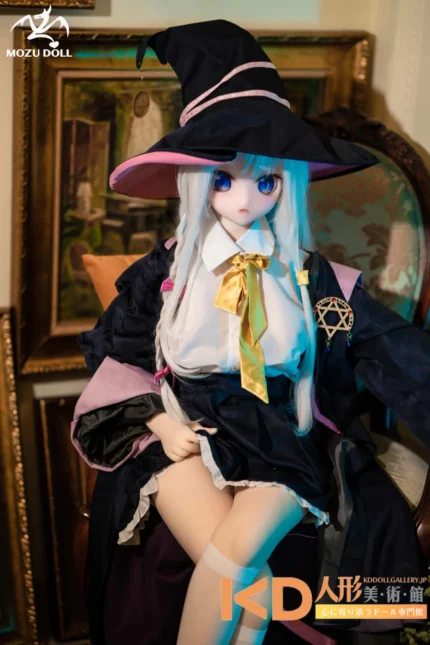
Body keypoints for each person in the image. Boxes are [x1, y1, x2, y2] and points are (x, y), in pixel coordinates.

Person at [70, 19, 430, 645]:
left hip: (280, 433)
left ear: (286, 184)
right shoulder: (164, 275)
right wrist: (159, 421)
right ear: (195, 180)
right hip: (185, 426)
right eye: (223, 178)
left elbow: (394, 351)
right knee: (243, 579)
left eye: (266, 181)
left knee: (237, 561)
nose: (245, 199)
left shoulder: (315, 280)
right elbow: (115, 351)